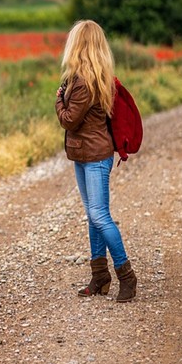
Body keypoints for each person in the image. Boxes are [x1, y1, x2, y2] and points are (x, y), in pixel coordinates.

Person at [54, 19, 137, 303]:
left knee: (99, 215)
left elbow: (68, 120)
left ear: (78, 46)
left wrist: (58, 100)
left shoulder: (82, 83)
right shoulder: (97, 76)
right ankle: (99, 276)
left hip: (93, 157)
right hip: (86, 153)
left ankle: (126, 275)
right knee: (93, 215)